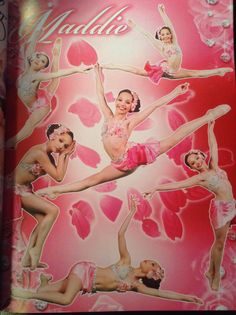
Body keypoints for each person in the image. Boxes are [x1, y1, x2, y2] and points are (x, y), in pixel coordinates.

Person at [36, 63, 230, 199]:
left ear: (131, 107)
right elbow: (100, 95)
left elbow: (153, 106)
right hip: (118, 163)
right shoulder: (108, 116)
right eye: (120, 99)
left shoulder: (130, 122)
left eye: (127, 102)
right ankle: (55, 191)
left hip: (132, 157)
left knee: (173, 139)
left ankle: (208, 117)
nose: (122, 103)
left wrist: (175, 93)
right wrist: (97, 74)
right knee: (91, 180)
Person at [11, 196, 203, 306]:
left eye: (153, 264)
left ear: (151, 274)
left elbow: (163, 294)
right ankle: (29, 295)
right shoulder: (126, 261)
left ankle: (44, 283)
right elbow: (121, 234)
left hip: (84, 283)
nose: (150, 260)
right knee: (67, 299)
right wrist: (132, 212)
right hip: (85, 271)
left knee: (46, 291)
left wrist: (187, 298)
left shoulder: (137, 285)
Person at [143, 121, 236, 291]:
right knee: (220, 243)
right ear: (193, 168)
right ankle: (214, 276)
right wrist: (156, 188)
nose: (197, 162)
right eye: (193, 163)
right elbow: (178, 185)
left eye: (197, 157)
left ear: (202, 155)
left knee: (222, 241)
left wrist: (210, 127)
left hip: (231, 205)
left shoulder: (215, 167)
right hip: (221, 209)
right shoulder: (200, 178)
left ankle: (209, 271)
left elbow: (213, 145)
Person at [102, 4, 232, 84]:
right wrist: (134, 25)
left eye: (166, 33)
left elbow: (170, 25)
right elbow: (147, 35)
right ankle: (114, 65)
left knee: (195, 73)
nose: (165, 35)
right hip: (166, 71)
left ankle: (219, 71)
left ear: (170, 34)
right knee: (138, 71)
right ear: (160, 37)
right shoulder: (161, 45)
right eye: (162, 34)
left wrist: (162, 12)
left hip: (175, 71)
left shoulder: (174, 41)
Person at [5, 32, 91, 149]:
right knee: (30, 125)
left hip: (42, 106)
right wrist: (37, 31)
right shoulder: (26, 69)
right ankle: (55, 54)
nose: (38, 60)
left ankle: (9, 143)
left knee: (30, 123)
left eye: (42, 62)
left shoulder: (36, 76)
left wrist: (76, 69)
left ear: (42, 68)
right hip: (36, 102)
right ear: (32, 58)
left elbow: (57, 73)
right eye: (38, 57)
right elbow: (31, 46)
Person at [8, 123, 75, 270]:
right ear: (53, 136)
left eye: (66, 146)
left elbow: (60, 176)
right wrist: (64, 155)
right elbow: (58, 176)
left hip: (25, 189)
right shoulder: (39, 152)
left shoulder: (49, 158)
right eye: (61, 141)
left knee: (43, 218)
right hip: (13, 189)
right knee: (53, 211)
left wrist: (65, 155)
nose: (61, 147)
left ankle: (27, 260)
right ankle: (36, 249)